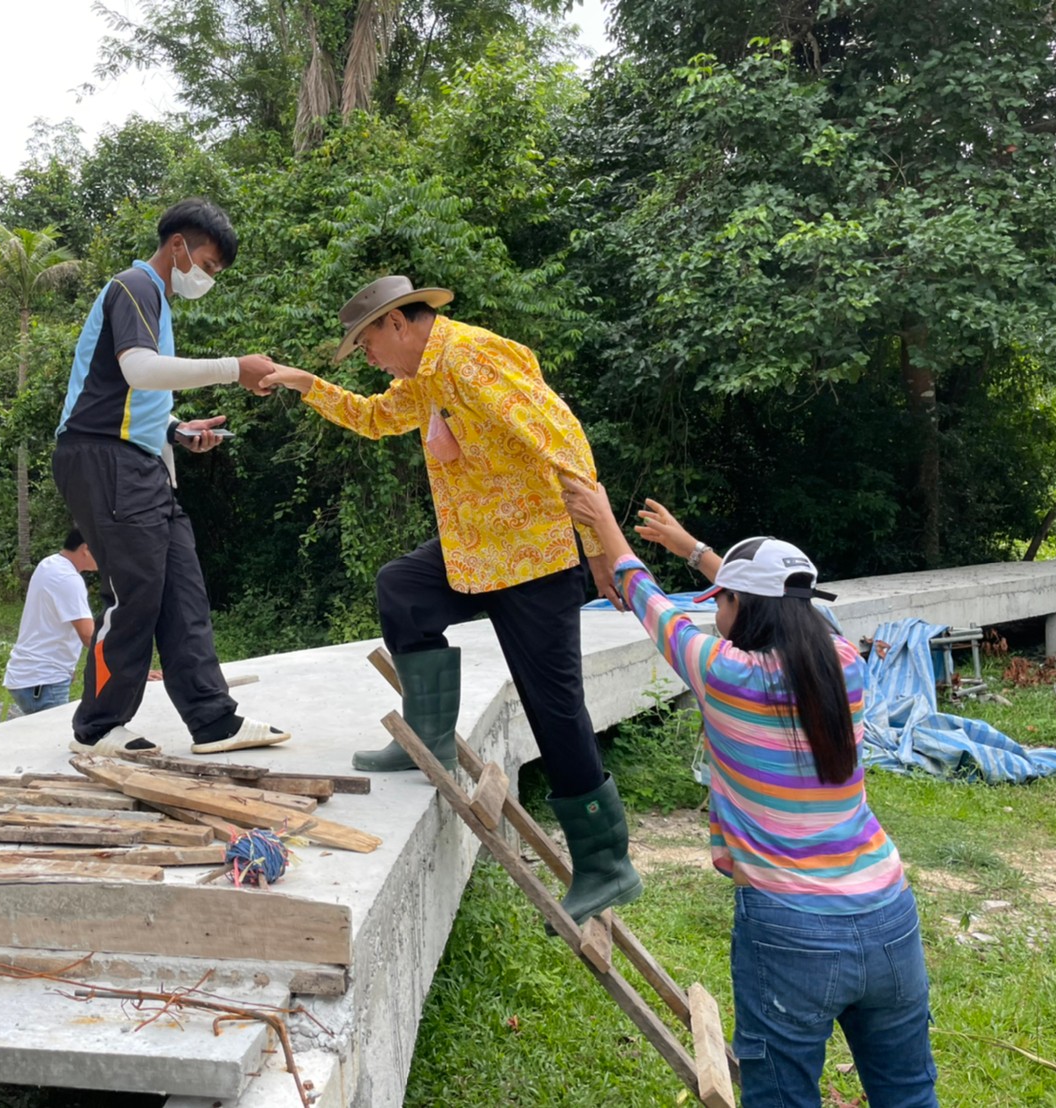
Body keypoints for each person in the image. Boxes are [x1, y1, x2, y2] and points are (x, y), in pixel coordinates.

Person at [264, 275, 641, 927]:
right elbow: (375, 418)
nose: (368, 358)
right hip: (476, 549)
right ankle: (430, 738)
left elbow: (563, 441)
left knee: (554, 708)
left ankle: (607, 864)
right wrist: (303, 383)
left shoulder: (471, 357)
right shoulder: (425, 378)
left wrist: (602, 547)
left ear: (398, 324)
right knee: (402, 588)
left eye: (367, 343)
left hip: (535, 556)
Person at [559, 482, 938, 1108]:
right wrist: (695, 551)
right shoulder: (846, 664)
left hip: (791, 929)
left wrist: (603, 520)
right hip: (890, 916)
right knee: (909, 1095)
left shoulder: (725, 674)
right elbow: (785, 603)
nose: (715, 614)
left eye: (722, 602)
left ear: (741, 606)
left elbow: (646, 598)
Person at [52, 197, 290, 757]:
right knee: (135, 594)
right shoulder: (135, 285)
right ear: (178, 245)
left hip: (138, 460)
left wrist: (177, 430)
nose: (208, 278)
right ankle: (98, 728)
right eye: (207, 265)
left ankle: (214, 721)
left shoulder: (156, 301)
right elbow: (138, 369)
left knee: (183, 591)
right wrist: (234, 369)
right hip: (103, 458)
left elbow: (127, 396)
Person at [2, 529, 97, 716]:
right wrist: (127, 669)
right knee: (56, 734)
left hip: (32, 677)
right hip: (44, 681)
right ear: (85, 549)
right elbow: (89, 636)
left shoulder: (50, 564)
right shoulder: (68, 579)